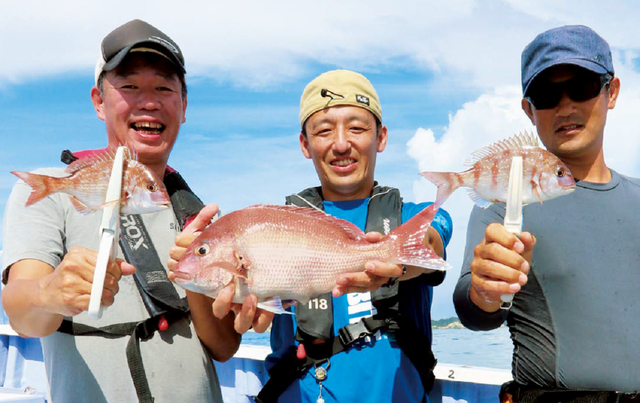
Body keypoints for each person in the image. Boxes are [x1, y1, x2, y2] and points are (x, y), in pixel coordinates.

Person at [1, 19, 239, 403]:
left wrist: (195, 274)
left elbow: (224, 347)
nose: (149, 101)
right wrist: (49, 292)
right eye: (129, 86)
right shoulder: (52, 190)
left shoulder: (196, 214)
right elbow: (21, 313)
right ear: (99, 101)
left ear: (183, 106)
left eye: (164, 88)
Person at [453, 25, 640, 401]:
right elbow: (472, 308)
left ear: (612, 92)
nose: (566, 106)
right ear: (529, 109)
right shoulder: (504, 207)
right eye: (546, 94)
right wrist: (485, 289)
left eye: (583, 87)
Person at [260, 70, 452, 403]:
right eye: (323, 131)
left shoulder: (414, 216)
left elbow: (430, 242)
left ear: (381, 137)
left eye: (357, 128)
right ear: (305, 144)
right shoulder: (275, 232)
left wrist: (400, 263)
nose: (340, 144)